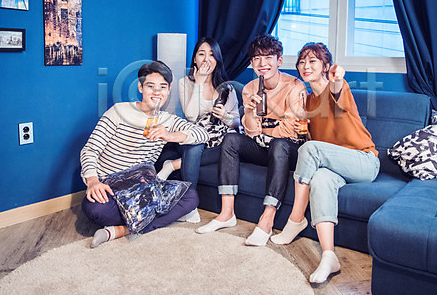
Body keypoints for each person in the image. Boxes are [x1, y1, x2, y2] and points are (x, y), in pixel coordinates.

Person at [270, 42, 380, 284]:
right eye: (302, 62)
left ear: (325, 66)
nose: (305, 66)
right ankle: (329, 256)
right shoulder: (308, 102)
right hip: (333, 166)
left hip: (363, 161)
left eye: (312, 61)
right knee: (319, 178)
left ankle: (296, 219)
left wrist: (337, 78)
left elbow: (338, 88)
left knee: (310, 149)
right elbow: (314, 141)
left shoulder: (336, 88)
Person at [80, 61, 209, 248]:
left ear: (169, 90)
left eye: (162, 87)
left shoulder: (167, 120)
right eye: (150, 86)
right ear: (141, 87)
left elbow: (202, 134)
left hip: (144, 190)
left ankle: (119, 230)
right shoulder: (118, 111)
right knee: (94, 209)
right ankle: (144, 221)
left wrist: (169, 135)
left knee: (191, 197)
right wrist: (93, 181)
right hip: (112, 186)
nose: (157, 92)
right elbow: (90, 149)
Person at [195, 34, 306, 247]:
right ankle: (227, 213)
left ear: (279, 60)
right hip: (264, 146)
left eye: (268, 57)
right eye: (256, 58)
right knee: (230, 140)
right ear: (252, 63)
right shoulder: (250, 88)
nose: (262, 63)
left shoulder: (295, 87)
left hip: (289, 150)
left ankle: (267, 219)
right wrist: (251, 113)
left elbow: (289, 131)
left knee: (279, 145)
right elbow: (251, 132)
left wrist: (263, 131)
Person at [157, 37, 240, 223]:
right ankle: (190, 204)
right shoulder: (184, 83)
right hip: (194, 136)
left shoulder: (227, 88)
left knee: (230, 147)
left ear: (217, 59)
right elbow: (191, 116)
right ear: (194, 59)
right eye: (201, 54)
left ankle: (173, 165)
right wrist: (199, 84)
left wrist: (225, 116)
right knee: (195, 146)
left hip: (219, 140)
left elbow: (236, 123)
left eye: (211, 55)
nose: (206, 59)